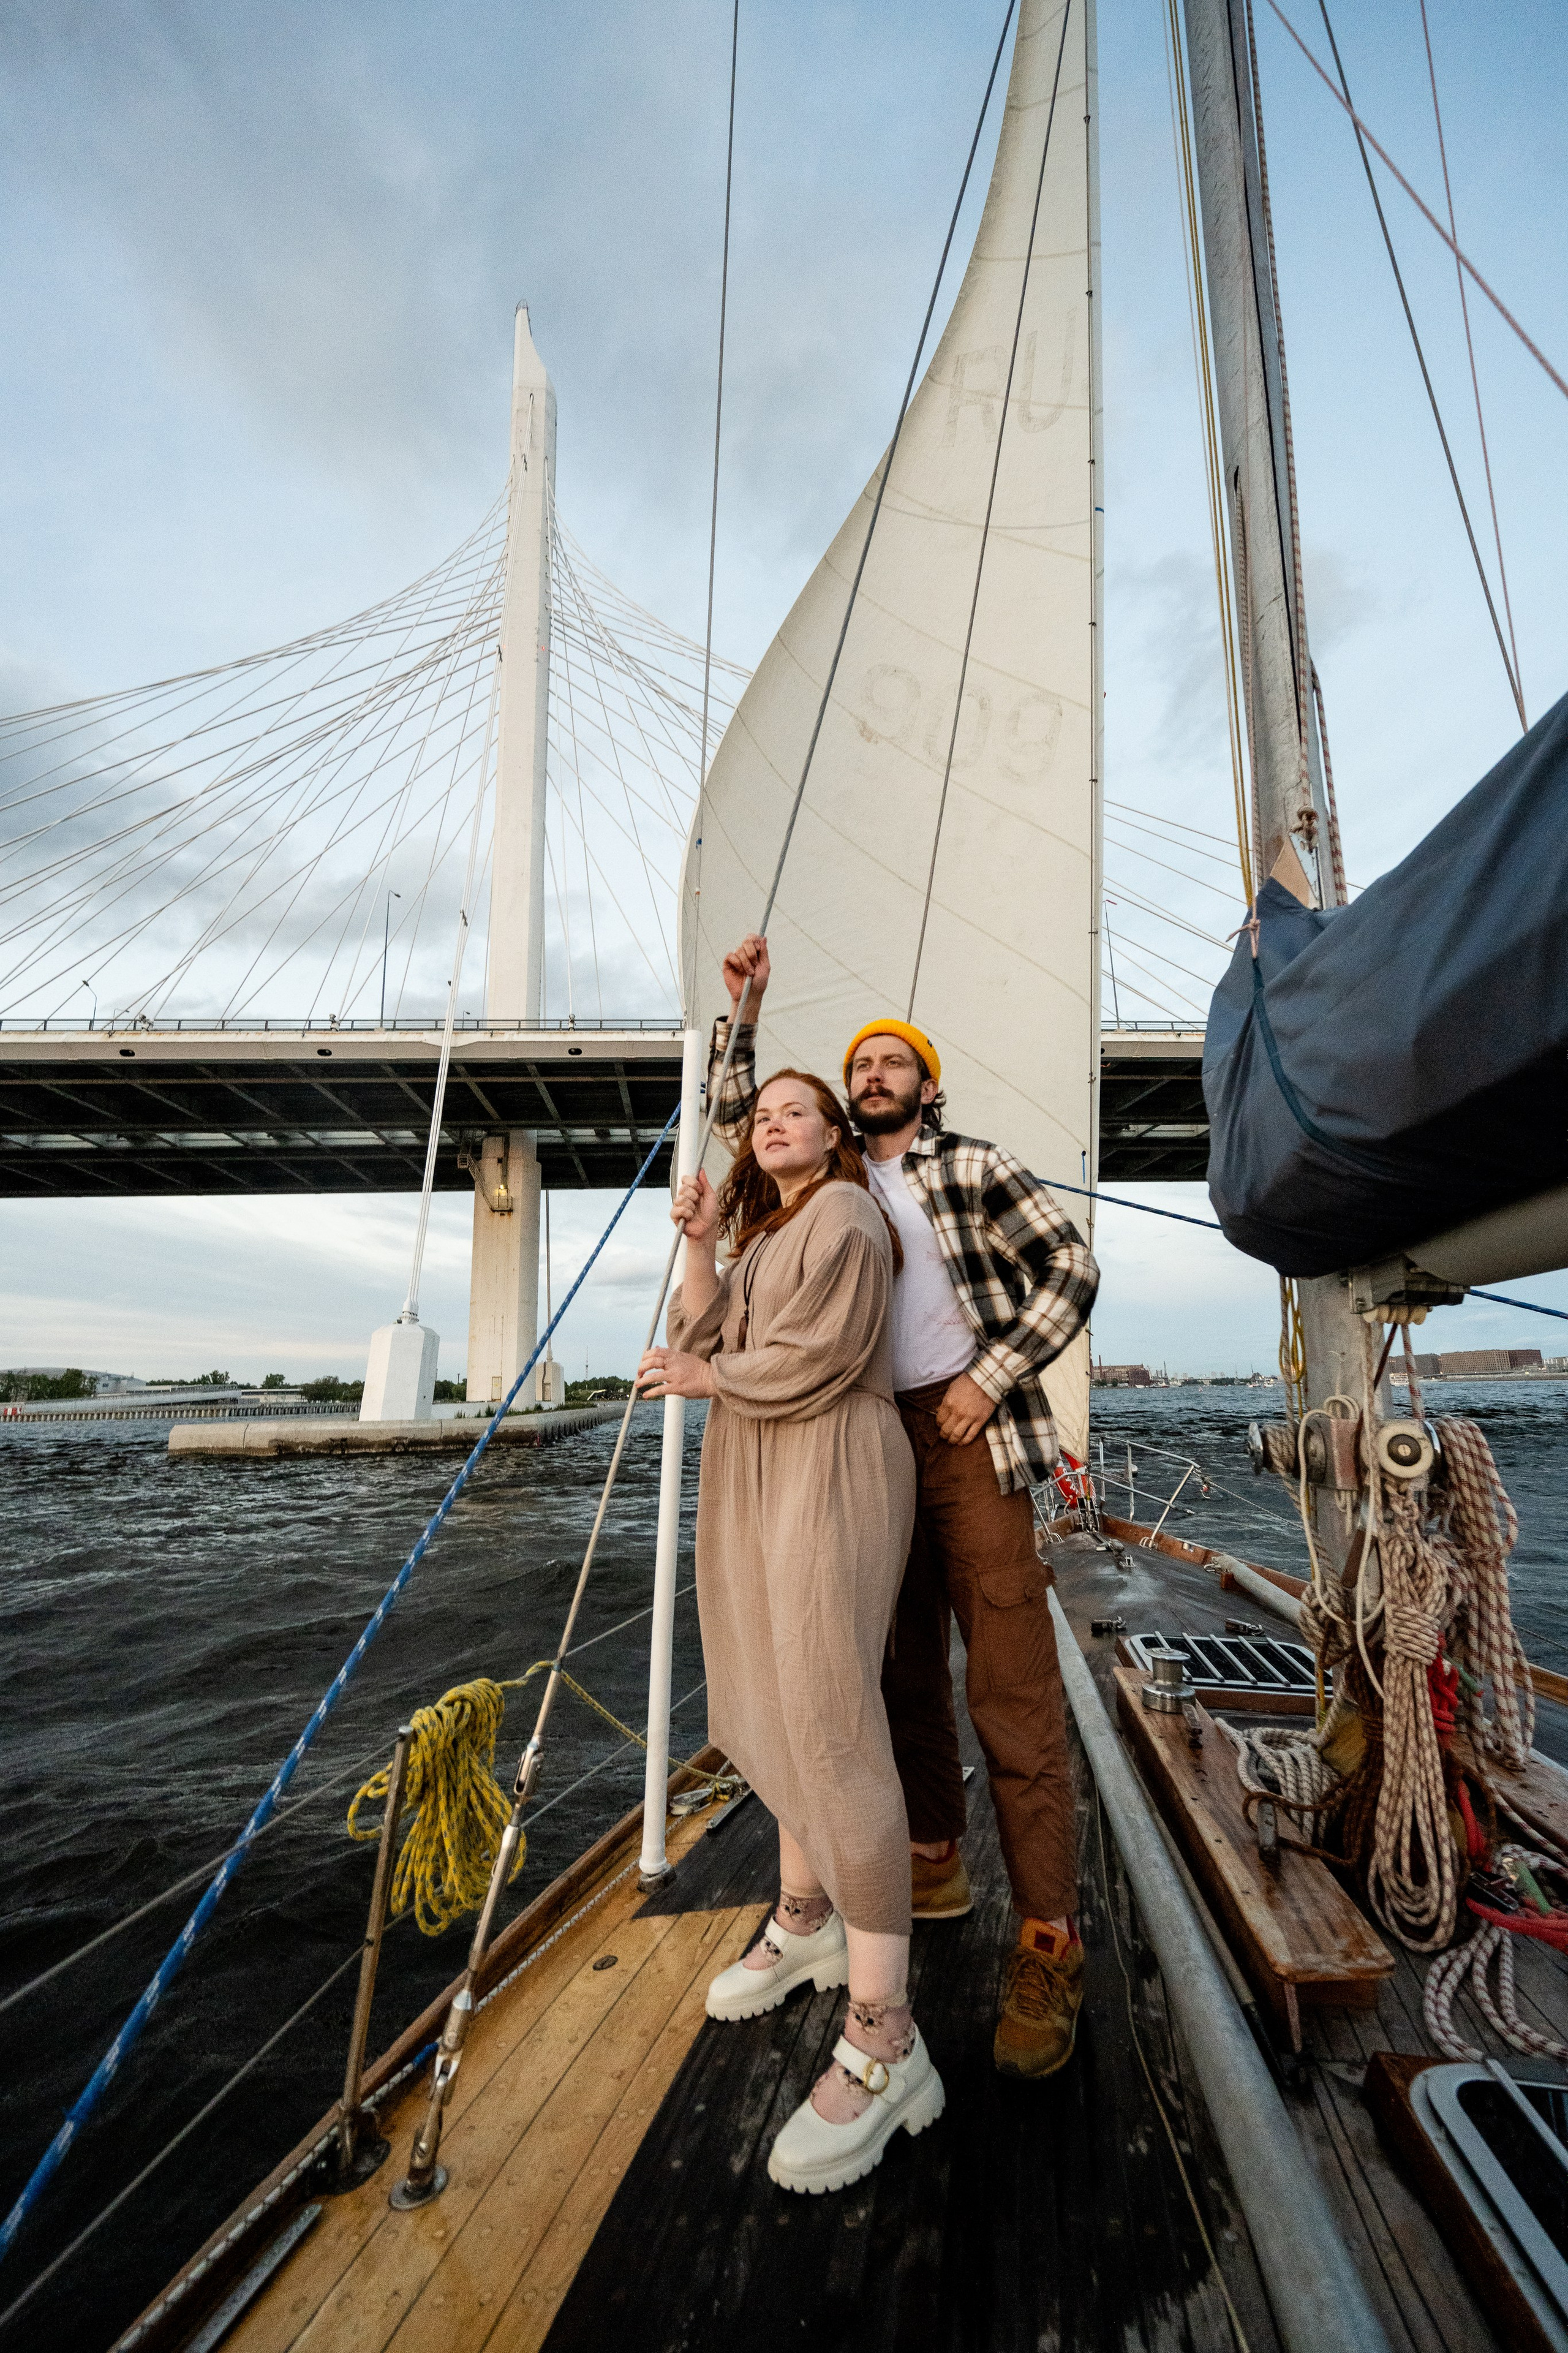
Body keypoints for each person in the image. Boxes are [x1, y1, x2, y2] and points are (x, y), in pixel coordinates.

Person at [707, 937, 1100, 2081]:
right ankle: (931, 1853)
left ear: (929, 1085)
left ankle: (1048, 1938)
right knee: (896, 1667)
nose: (874, 1073)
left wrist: (991, 1376)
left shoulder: (971, 1169)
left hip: (969, 1430)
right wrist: (751, 1008)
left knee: (1010, 1681)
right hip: (866, 1439)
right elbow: (751, 1111)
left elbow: (1068, 1270)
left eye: (896, 1062)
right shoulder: (825, 1187)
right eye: (860, 1065)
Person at [638, 1067, 944, 2193]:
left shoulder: (851, 1218)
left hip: (828, 1460)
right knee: (767, 1692)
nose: (770, 1122)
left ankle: (886, 2035)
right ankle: (808, 1916)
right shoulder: (773, 1233)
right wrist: (706, 1242)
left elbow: (813, 1360)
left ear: (834, 1136)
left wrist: (701, 1373)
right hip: (762, 1463)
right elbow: (705, 1320)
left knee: (830, 1720)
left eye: (792, 1111)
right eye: (759, 1113)